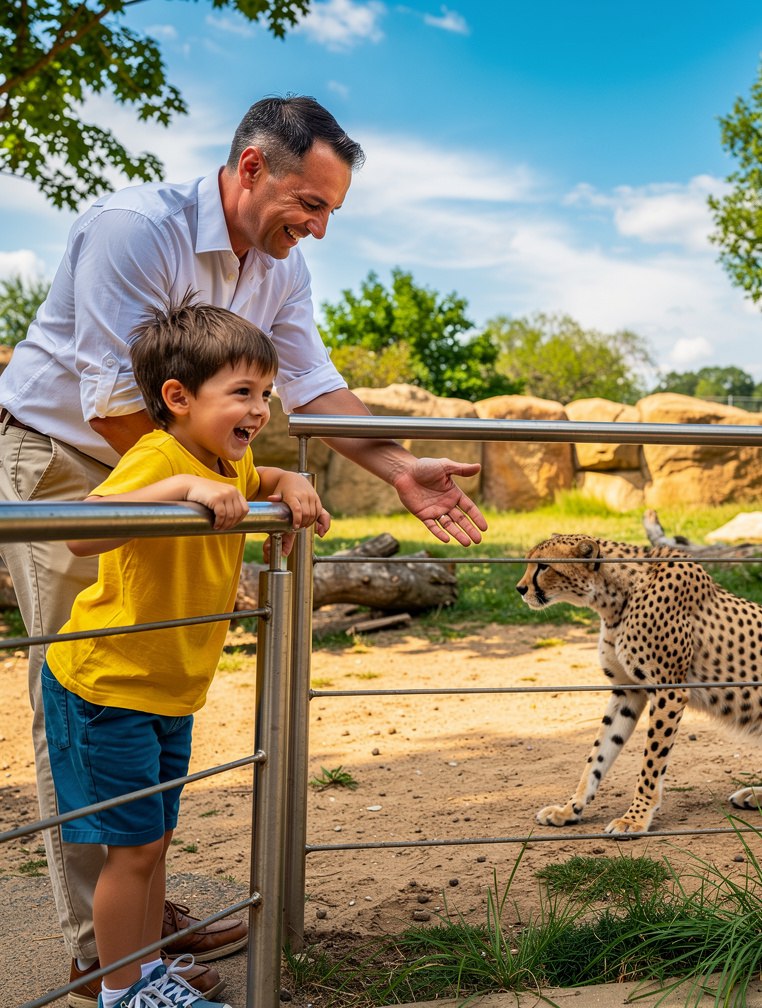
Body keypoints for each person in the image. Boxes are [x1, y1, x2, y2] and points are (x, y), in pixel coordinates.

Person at [0, 94, 487, 1001]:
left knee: (146, 677)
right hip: (71, 456)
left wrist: (396, 468)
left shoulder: (280, 267)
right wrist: (242, 480)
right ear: (253, 168)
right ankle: (99, 954)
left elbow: (313, 381)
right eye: (311, 204)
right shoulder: (134, 231)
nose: (320, 228)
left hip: (187, 470)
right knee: (76, 684)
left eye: (332, 211)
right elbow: (123, 404)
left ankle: (135, 913)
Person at [43, 300, 330, 1008]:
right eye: (243, 393)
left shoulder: (228, 457)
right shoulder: (160, 455)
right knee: (132, 851)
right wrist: (181, 489)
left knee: (155, 843)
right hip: (108, 691)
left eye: (265, 393)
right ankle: (119, 992)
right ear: (178, 398)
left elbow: (256, 482)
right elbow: (82, 533)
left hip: (168, 692)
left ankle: (145, 974)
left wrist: (288, 481)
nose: (260, 409)